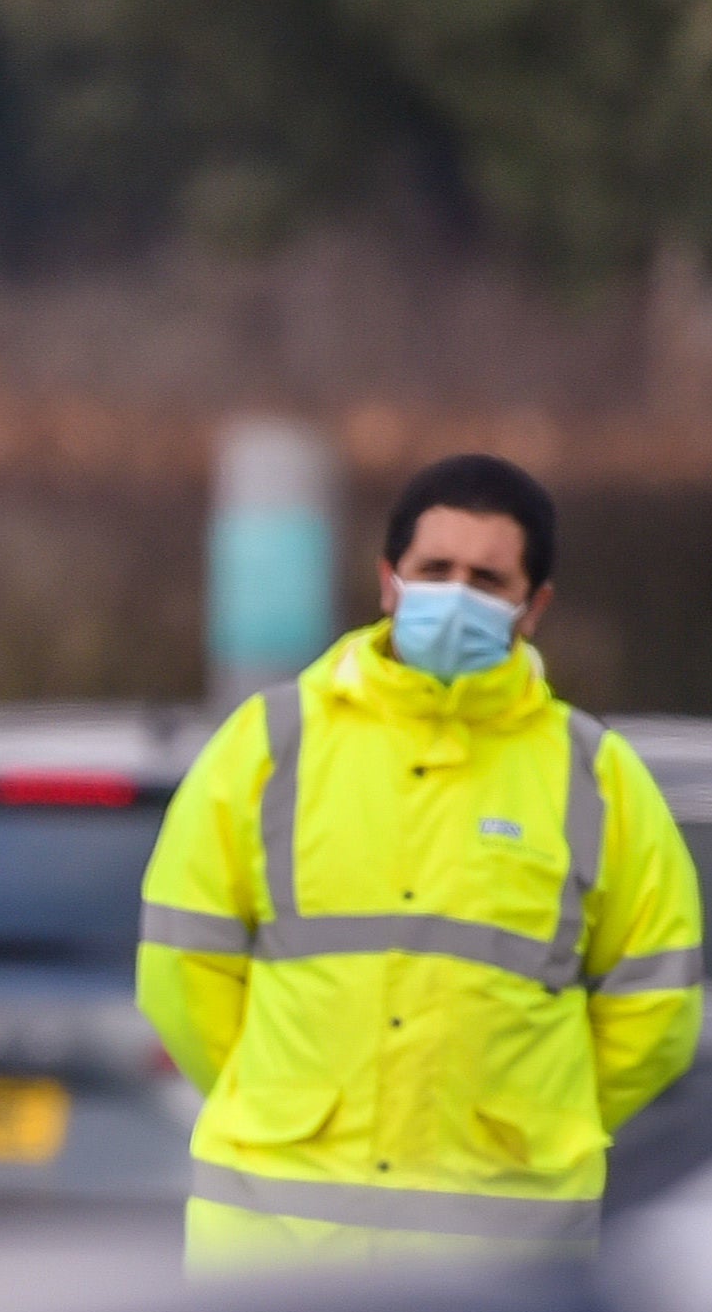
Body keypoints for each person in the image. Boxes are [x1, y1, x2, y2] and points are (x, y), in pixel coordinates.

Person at [139, 452, 702, 1266]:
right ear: (386, 581)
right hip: (273, 1250)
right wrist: (290, 1101)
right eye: (433, 569)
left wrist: (538, 1120)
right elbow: (181, 970)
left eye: (486, 579)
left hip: (501, 1262)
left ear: (531, 607)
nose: (455, 595)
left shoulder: (597, 777)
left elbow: (655, 1012)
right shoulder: (269, 745)